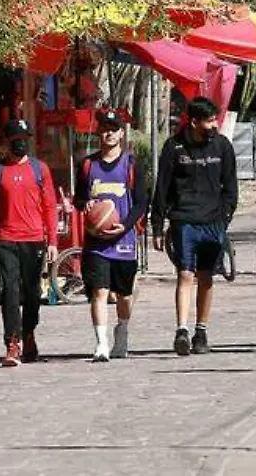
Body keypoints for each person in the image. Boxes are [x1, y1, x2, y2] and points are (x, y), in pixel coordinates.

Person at [151, 96, 238, 356]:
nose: (214, 125)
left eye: (215, 120)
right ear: (194, 122)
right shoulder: (174, 147)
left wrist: (225, 216)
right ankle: (182, 330)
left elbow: (230, 186)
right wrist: (158, 225)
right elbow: (162, 188)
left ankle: (201, 331)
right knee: (185, 274)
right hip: (184, 220)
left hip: (213, 221)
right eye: (209, 121)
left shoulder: (222, 146)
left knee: (206, 276)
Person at [74, 110, 148, 362]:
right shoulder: (88, 165)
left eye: (114, 129)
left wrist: (125, 226)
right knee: (99, 291)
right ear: (99, 132)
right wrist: (84, 204)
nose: (109, 133)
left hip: (123, 241)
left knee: (124, 295)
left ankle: (122, 330)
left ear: (121, 133)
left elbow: (141, 202)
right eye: (105, 128)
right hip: (96, 243)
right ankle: (101, 343)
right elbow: (79, 198)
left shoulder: (131, 164)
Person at [0, 119, 59, 367]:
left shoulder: (40, 170)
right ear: (7, 142)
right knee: (10, 291)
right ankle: (12, 342)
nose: (20, 144)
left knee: (32, 292)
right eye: (16, 140)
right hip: (7, 239)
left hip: (34, 239)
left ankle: (29, 334)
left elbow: (50, 206)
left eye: (24, 139)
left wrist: (52, 241)